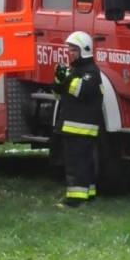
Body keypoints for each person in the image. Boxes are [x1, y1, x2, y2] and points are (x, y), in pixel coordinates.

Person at [53, 30, 105, 207]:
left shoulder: (91, 72)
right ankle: (88, 195)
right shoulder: (76, 70)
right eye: (70, 49)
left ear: (85, 50)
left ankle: (75, 200)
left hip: (82, 127)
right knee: (82, 163)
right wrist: (59, 78)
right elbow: (58, 94)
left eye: (74, 50)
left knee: (78, 164)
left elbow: (81, 91)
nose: (71, 53)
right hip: (72, 126)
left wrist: (67, 77)